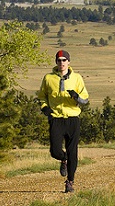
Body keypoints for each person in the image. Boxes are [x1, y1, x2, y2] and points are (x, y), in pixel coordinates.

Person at [37, 50, 89, 193]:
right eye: (59, 60)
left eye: (64, 60)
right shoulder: (48, 78)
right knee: (54, 151)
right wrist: (45, 108)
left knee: (73, 152)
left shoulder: (77, 78)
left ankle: (70, 182)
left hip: (73, 119)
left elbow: (85, 99)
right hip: (56, 118)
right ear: (56, 62)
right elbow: (41, 96)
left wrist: (76, 96)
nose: (61, 63)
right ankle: (63, 159)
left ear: (69, 62)